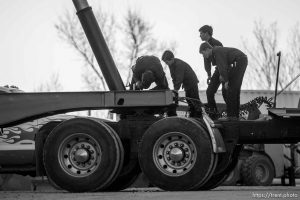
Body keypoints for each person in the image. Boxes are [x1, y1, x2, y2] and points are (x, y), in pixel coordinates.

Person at [199, 42, 248, 120]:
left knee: (230, 89)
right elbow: (224, 65)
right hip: (241, 60)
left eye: (203, 53)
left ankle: (231, 116)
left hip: (238, 61)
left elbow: (222, 66)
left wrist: (226, 81)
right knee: (235, 89)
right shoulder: (217, 51)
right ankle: (235, 116)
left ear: (207, 49)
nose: (203, 56)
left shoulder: (217, 51)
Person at [161, 50, 202, 117]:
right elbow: (174, 77)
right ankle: (193, 112)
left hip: (192, 81)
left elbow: (179, 78)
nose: (166, 64)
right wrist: (175, 89)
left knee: (193, 98)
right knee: (188, 98)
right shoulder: (171, 65)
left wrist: (176, 89)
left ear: (172, 59)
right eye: (165, 62)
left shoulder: (179, 64)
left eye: (167, 62)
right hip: (185, 83)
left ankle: (198, 113)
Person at [199, 25, 226, 115]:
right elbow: (207, 62)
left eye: (201, 33)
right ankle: (214, 113)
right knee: (209, 91)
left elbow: (223, 60)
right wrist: (209, 75)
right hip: (217, 70)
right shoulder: (204, 46)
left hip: (224, 69)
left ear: (207, 33)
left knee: (225, 92)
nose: (200, 35)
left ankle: (232, 113)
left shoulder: (217, 43)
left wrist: (223, 74)